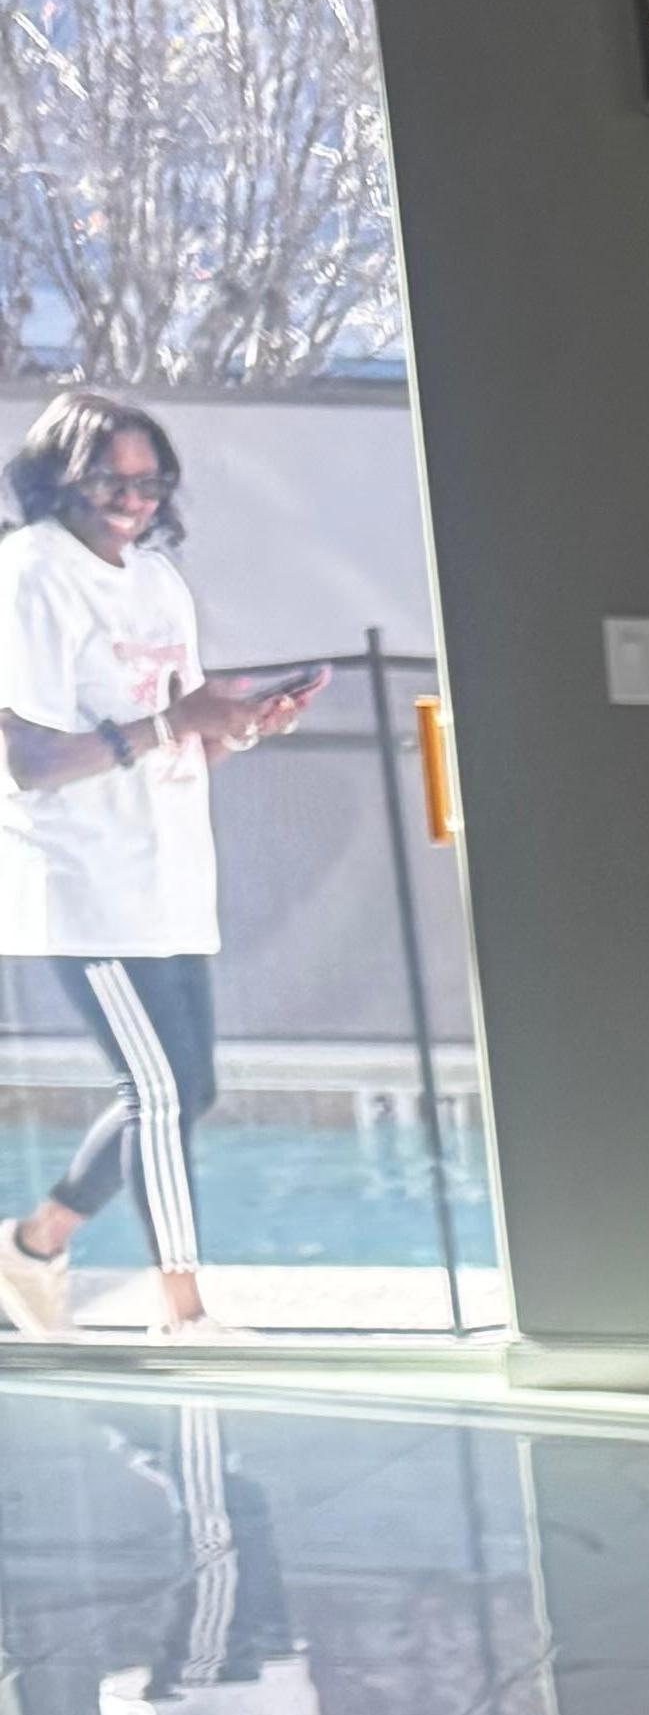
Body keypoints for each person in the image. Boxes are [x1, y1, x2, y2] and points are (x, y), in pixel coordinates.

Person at [0, 389, 322, 1335]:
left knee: (192, 1089)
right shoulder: (27, 574)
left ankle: (34, 1246)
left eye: (150, 482)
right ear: (61, 475)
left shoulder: (156, 582)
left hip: (170, 872)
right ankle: (183, 1314)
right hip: (83, 881)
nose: (133, 498)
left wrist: (242, 728)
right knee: (159, 1090)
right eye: (111, 479)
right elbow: (32, 761)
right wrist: (179, 718)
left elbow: (173, 740)